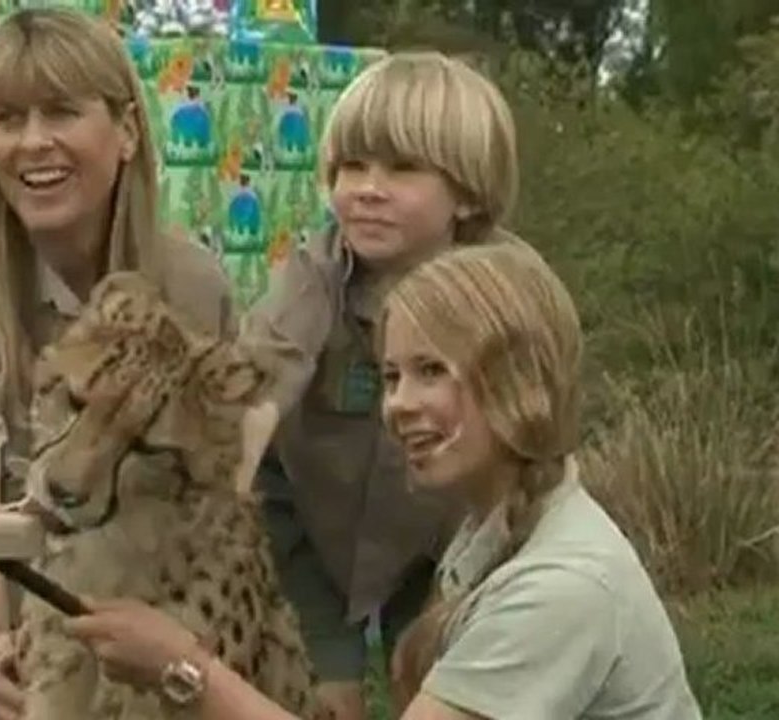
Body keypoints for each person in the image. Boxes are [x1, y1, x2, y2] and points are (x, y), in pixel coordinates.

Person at [66, 242, 703, 720]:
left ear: (521, 382)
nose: (398, 404)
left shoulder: (561, 589)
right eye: (392, 377)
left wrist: (183, 670)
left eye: (431, 371)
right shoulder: (498, 524)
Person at [0, 9, 234, 720]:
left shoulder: (196, 287)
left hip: (157, 640)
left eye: (62, 112)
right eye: (8, 118)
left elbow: (224, 494)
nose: (32, 143)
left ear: (127, 130)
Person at [239, 50, 521, 719]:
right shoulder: (315, 273)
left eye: (401, 169)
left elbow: (537, 450)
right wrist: (230, 457)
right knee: (325, 700)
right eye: (351, 167)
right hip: (312, 531)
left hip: (452, 541)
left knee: (432, 685)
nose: (366, 188)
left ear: (469, 193)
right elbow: (263, 368)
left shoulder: (510, 292)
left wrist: (448, 604)